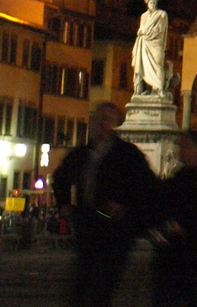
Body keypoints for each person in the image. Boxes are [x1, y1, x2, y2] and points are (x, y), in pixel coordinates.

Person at [51, 101, 157, 307]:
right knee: (82, 282)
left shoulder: (127, 154)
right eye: (99, 120)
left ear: (115, 124)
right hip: (89, 224)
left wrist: (124, 207)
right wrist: (63, 203)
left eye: (107, 120)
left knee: (102, 284)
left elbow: (146, 186)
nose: (102, 124)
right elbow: (61, 177)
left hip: (115, 230)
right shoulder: (83, 153)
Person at [151, 130, 197, 307]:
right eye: (180, 145)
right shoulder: (177, 178)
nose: (180, 150)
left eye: (185, 145)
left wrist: (187, 227)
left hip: (194, 255)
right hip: (170, 256)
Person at [131, 0, 170, 96]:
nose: (152, 4)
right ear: (147, 3)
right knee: (144, 66)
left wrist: (145, 31)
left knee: (158, 65)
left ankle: (159, 89)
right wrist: (142, 31)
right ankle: (148, 89)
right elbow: (141, 29)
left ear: (156, 3)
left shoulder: (162, 14)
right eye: (150, 2)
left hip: (156, 43)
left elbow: (160, 30)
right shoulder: (143, 16)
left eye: (153, 2)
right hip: (145, 43)